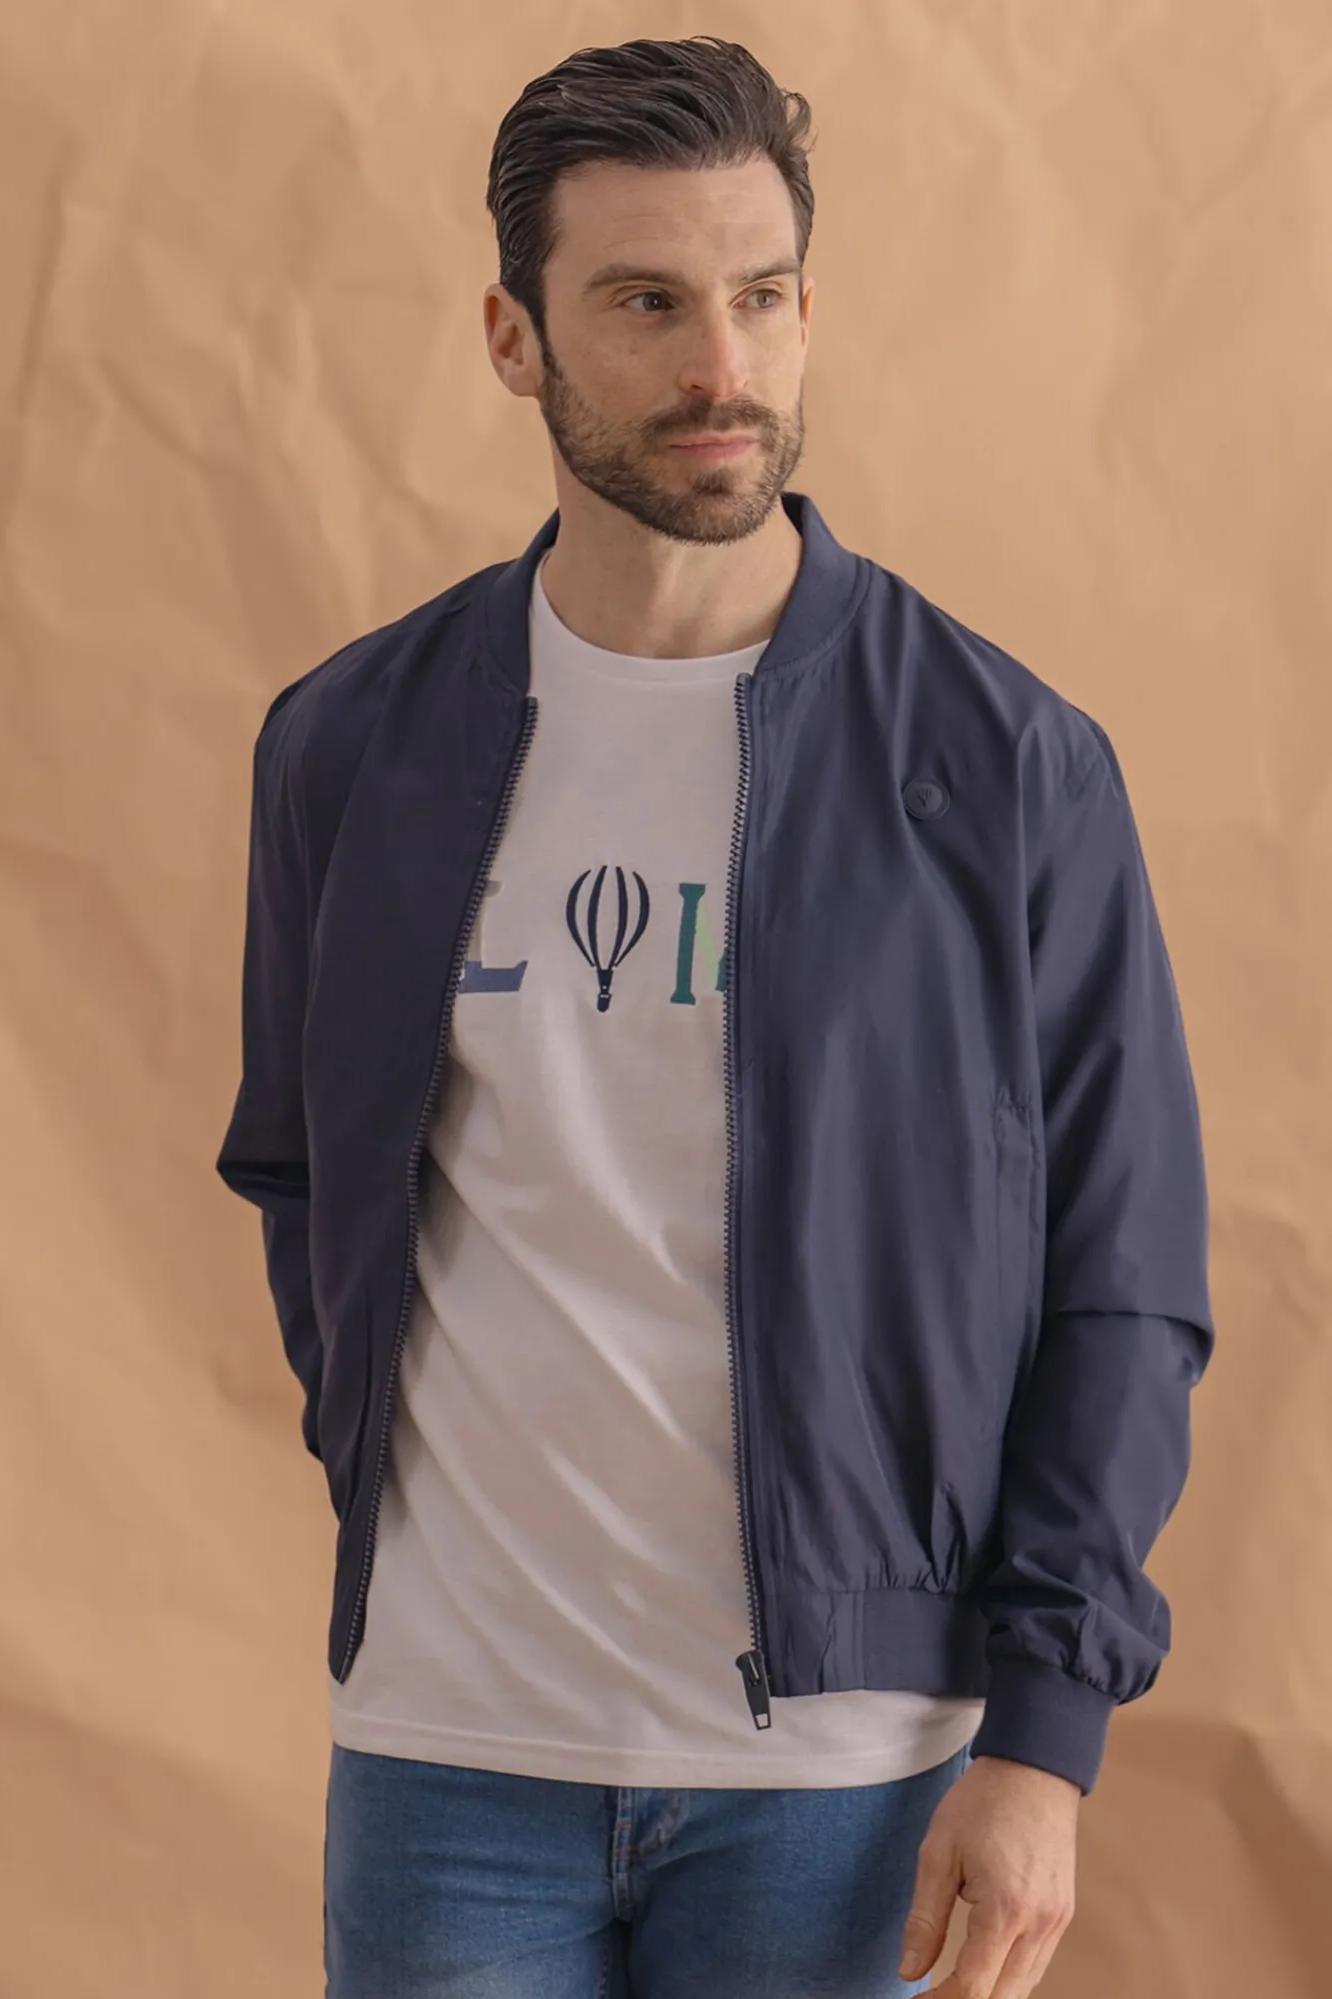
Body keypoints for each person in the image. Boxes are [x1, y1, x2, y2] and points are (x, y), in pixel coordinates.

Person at [216, 34, 1215, 1999]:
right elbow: (300, 1170)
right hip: (448, 1751)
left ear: (809, 308)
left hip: (848, 1775)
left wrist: (1045, 1734)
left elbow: (1124, 1279)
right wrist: (407, 1495)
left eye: (762, 297)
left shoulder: (1006, 768)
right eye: (647, 303)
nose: (722, 368)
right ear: (514, 340)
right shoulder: (351, 746)